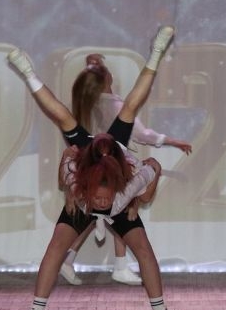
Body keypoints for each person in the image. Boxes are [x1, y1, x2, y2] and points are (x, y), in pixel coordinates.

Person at [6, 26, 179, 310]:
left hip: (116, 157)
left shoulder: (129, 186)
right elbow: (65, 173)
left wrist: (139, 201)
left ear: (116, 192)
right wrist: (72, 195)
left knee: (143, 249)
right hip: (90, 156)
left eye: (103, 199)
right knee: (56, 247)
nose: (100, 203)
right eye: (96, 198)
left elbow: (154, 168)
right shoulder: (77, 177)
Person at [59, 54, 192, 287]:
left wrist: (94, 63)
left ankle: (71, 259)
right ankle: (119, 265)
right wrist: (173, 141)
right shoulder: (113, 104)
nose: (111, 75)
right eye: (107, 73)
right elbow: (143, 134)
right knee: (123, 208)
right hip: (112, 164)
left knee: (95, 212)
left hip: (89, 165)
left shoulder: (86, 102)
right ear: (106, 80)